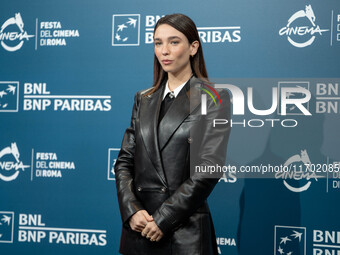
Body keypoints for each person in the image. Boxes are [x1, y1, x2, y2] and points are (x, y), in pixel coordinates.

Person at [115, 13, 231, 255]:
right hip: (140, 230)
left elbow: (209, 168)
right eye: (158, 43)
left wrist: (164, 218)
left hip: (183, 233)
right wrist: (131, 210)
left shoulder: (214, 98)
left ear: (193, 47)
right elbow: (125, 161)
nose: (164, 50)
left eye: (174, 42)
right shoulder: (143, 99)